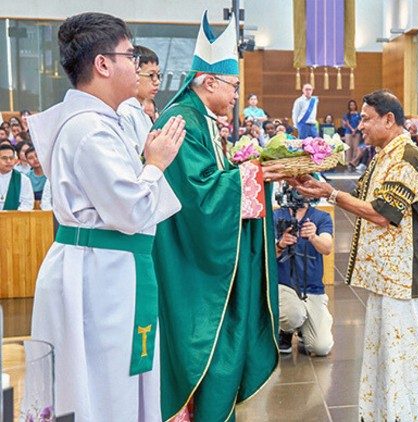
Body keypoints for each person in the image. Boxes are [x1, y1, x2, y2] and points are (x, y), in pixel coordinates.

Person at [27, 12, 186, 421]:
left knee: (113, 381)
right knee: (102, 387)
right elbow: (131, 210)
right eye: (130, 55)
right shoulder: (90, 130)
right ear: (102, 64)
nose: (138, 65)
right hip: (98, 276)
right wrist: (155, 163)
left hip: (109, 268)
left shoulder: (101, 122)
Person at [150, 11, 285, 421]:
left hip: (200, 249)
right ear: (208, 81)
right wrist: (258, 173)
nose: (236, 96)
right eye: (233, 87)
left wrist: (250, 167)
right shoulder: (181, 121)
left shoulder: (201, 118)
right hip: (187, 255)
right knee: (200, 337)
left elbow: (214, 176)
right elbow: (198, 195)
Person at [293, 90, 418, 421]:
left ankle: (413, 415)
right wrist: (317, 185)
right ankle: (383, 414)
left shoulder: (407, 157)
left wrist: (332, 194)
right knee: (384, 351)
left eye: (366, 118)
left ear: (389, 120)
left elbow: (381, 213)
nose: (360, 126)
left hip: (404, 275)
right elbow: (358, 196)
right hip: (385, 275)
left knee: (407, 353)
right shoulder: (382, 155)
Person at [274, 187, 334, 357]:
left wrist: (314, 237)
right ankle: (285, 330)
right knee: (292, 314)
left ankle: (304, 327)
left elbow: (327, 248)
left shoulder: (322, 218)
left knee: (321, 348)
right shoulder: (277, 216)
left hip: (312, 289)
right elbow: (264, 254)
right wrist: (280, 244)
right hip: (284, 285)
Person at [118, 45, 161, 154]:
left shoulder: (142, 112)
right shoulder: (124, 112)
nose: (157, 81)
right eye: (151, 75)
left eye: (158, 75)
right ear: (134, 73)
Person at [0, 144, 34, 210]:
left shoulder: (23, 179)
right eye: (4, 158)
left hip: (14, 219)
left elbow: (27, 203)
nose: (9, 161)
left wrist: (14, 216)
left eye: (11, 158)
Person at [343, 99, 362, 166]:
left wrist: (355, 130)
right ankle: (347, 163)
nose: (352, 106)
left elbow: (360, 123)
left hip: (357, 133)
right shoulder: (347, 115)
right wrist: (351, 129)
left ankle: (354, 163)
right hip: (348, 133)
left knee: (355, 148)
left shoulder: (359, 114)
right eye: (351, 105)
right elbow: (346, 124)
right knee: (348, 148)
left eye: (353, 105)